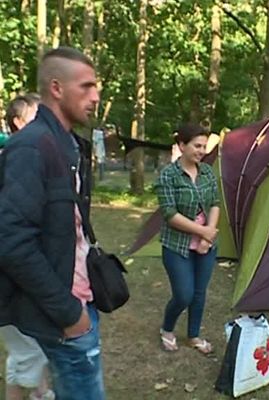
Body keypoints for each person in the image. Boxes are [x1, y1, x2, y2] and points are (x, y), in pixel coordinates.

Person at [0, 46, 103, 400]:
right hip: (64, 315)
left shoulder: (72, 145)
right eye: (86, 87)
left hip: (77, 304)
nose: (96, 97)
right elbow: (11, 243)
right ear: (56, 88)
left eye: (97, 88)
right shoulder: (31, 147)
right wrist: (69, 313)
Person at [0, 94, 55, 400]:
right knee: (32, 349)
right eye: (38, 117)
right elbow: (13, 235)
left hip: (16, 280)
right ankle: (40, 391)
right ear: (19, 122)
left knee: (22, 352)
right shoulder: (16, 158)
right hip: (11, 280)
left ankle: (39, 390)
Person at [155, 123, 219, 354]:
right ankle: (167, 329)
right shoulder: (168, 175)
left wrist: (208, 235)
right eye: (196, 145)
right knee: (184, 294)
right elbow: (170, 214)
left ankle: (194, 335)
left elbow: (214, 204)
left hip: (205, 244)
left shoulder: (208, 172)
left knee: (199, 293)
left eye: (204, 146)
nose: (201, 151)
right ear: (181, 145)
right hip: (177, 245)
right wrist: (202, 232)